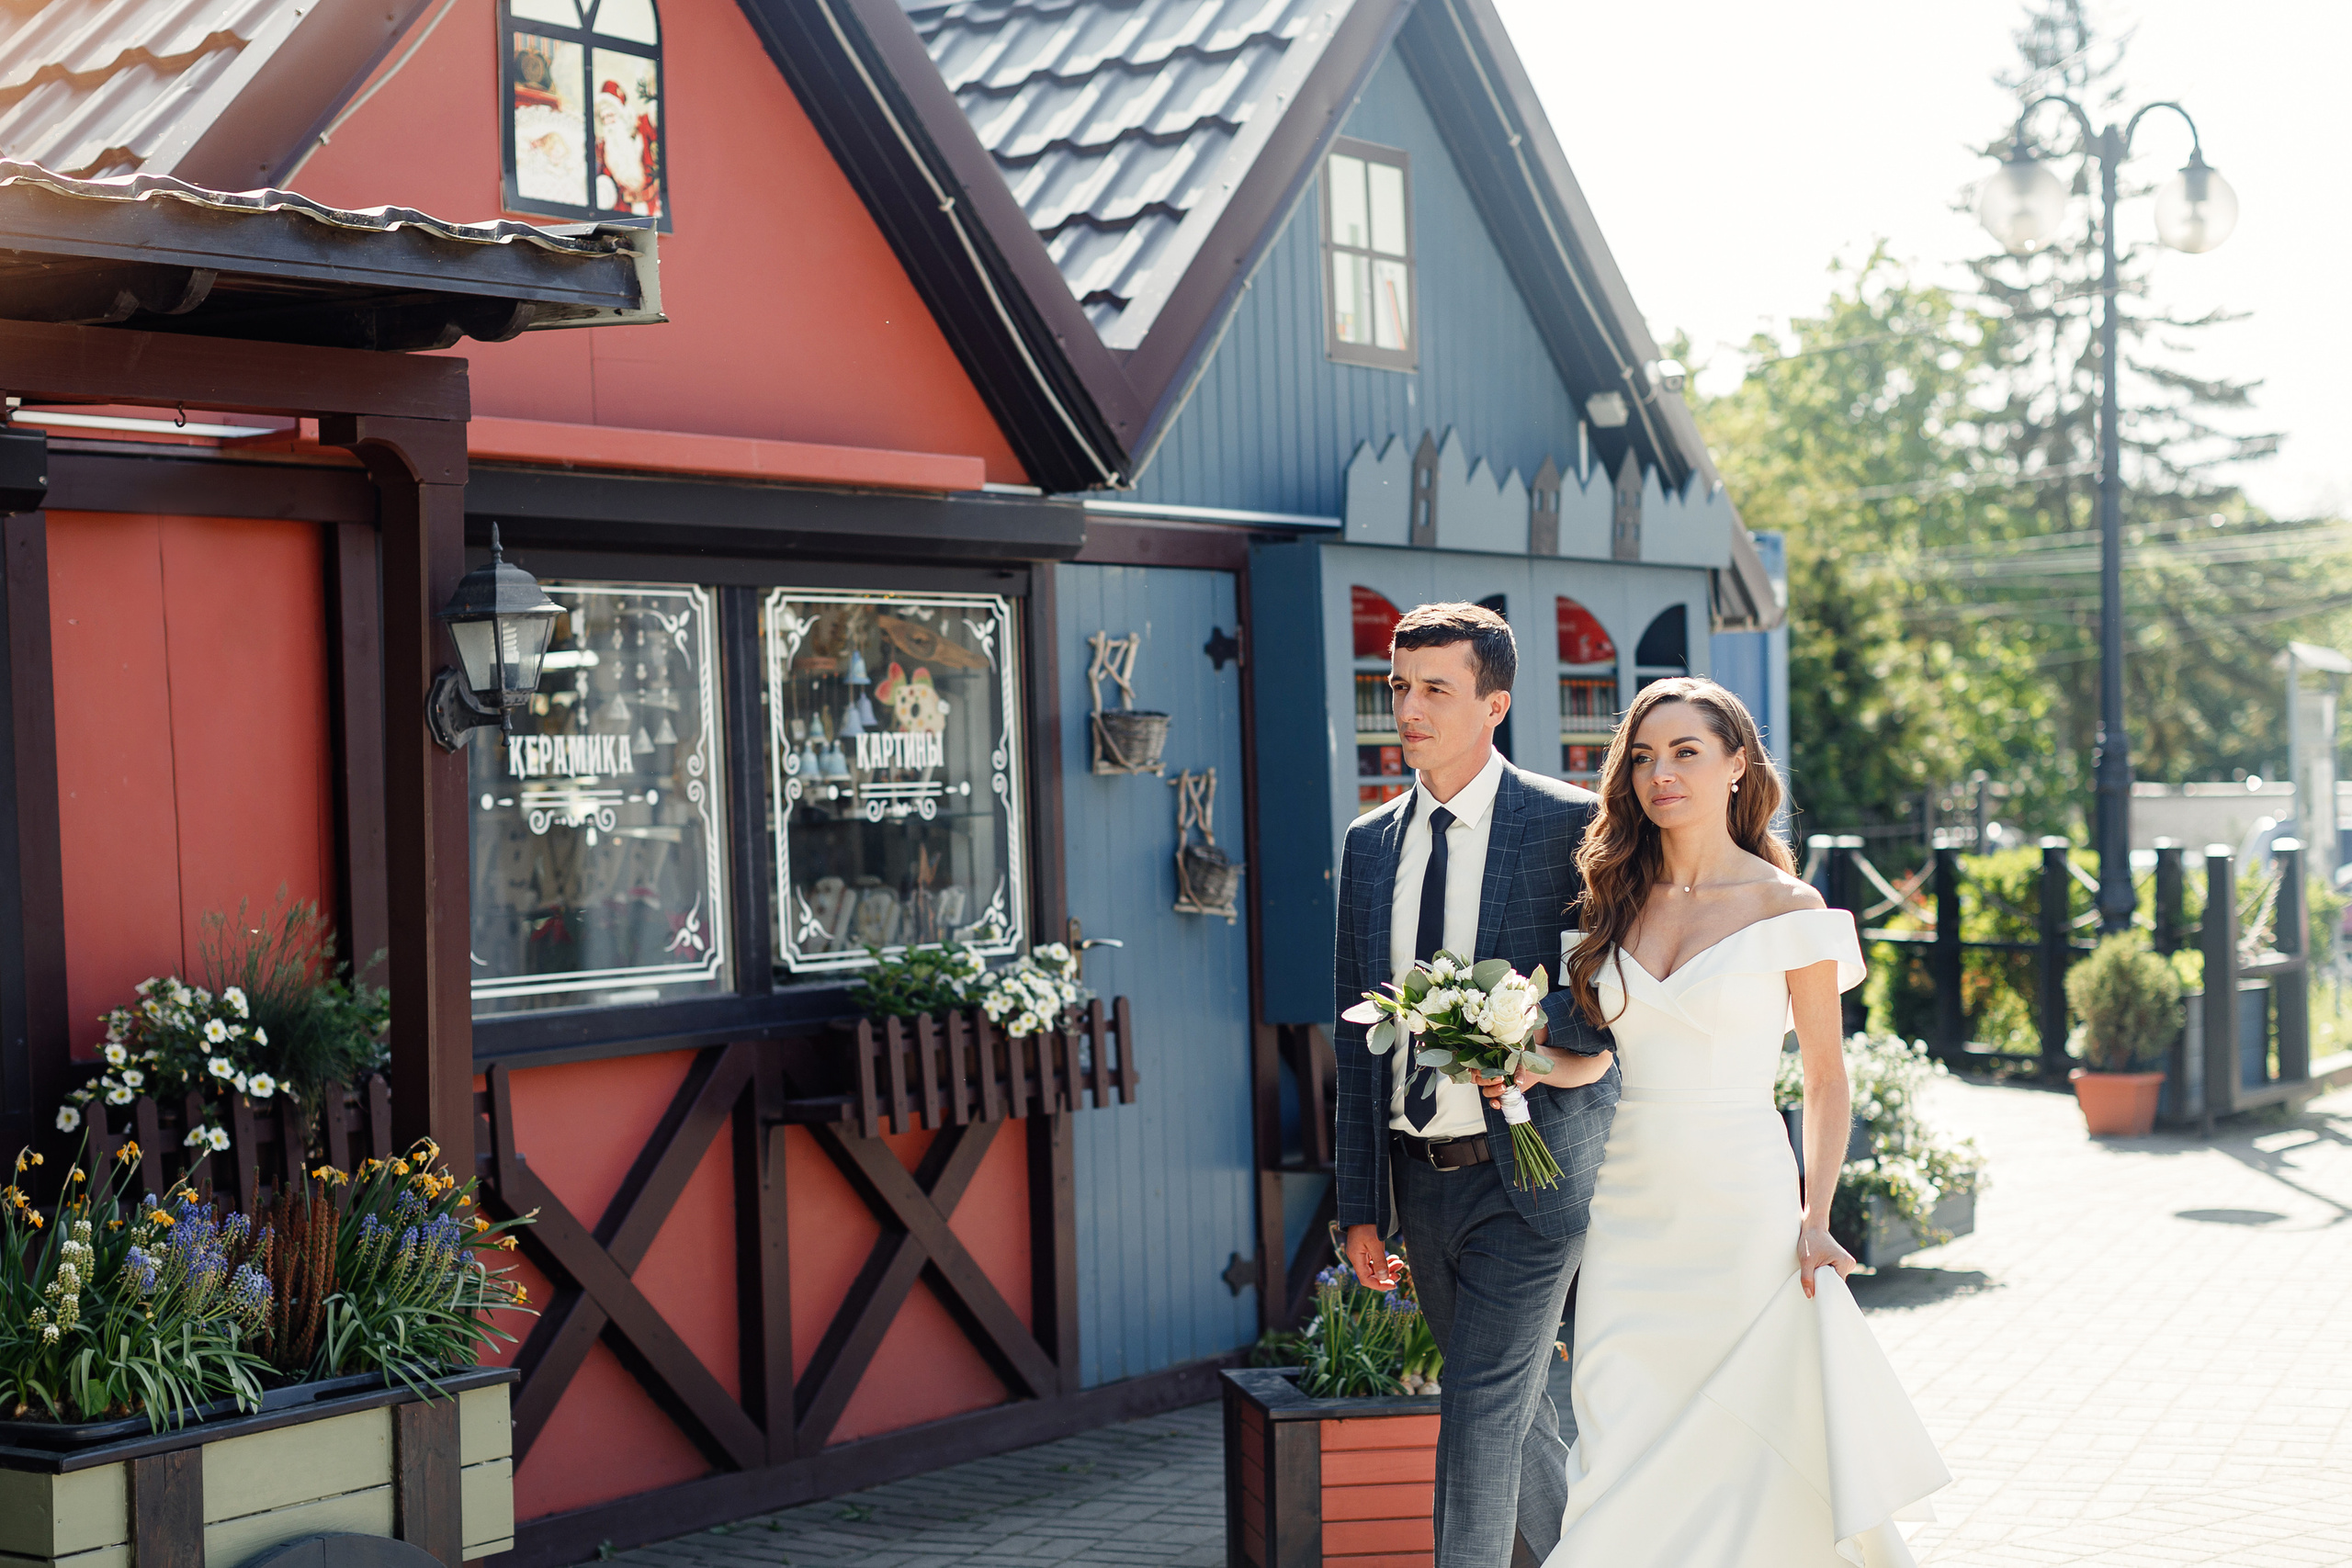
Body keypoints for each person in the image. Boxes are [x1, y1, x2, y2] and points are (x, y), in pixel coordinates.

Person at [1542, 676, 1950, 1567]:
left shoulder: (1789, 910)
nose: (1662, 774)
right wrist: (1506, 1062)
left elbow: (1826, 1078)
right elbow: (1598, 1057)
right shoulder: (1611, 900)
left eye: (1686, 752)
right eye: (1643, 757)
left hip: (1742, 1204)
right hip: (1627, 1204)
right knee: (1618, 1427)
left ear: (1736, 766)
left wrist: (1815, 1223)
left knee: (1751, 1432)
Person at [1332, 602, 1621, 1568]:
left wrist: (1519, 1039)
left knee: (1478, 1410)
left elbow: (1603, 1009)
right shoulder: (1368, 845)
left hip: (1531, 1182)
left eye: (1434, 690)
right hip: (1423, 1183)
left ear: (1493, 704)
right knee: (1513, 1411)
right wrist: (1359, 1206)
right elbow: (1353, 1037)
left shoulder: (1569, 825)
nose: (1407, 709)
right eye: (1398, 688)